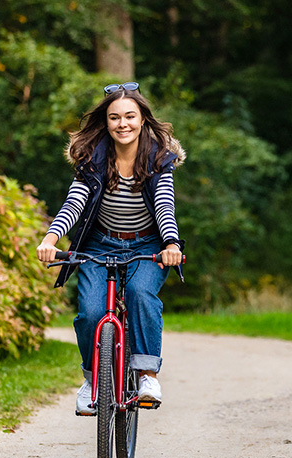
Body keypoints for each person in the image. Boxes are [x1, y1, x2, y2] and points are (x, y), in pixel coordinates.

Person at [36, 82, 185, 415]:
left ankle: (146, 376)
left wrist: (171, 243)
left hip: (147, 243)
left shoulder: (159, 158)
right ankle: (92, 381)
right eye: (114, 117)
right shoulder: (93, 157)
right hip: (99, 244)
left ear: (143, 119)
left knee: (140, 294)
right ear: (105, 122)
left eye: (130, 116)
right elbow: (75, 202)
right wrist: (51, 238)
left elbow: (164, 205)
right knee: (90, 312)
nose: (123, 124)